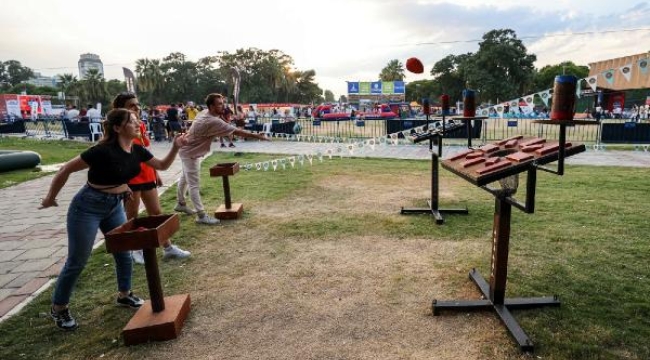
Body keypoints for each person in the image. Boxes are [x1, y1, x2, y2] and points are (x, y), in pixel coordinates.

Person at [40, 108, 186, 331]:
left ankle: (124, 294)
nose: (138, 124)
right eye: (132, 122)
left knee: (124, 252)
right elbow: (65, 169)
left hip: (114, 204)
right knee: (77, 260)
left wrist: (175, 146)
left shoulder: (137, 149)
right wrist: (50, 197)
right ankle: (58, 308)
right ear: (117, 128)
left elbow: (163, 166)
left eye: (138, 120)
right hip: (87, 206)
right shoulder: (102, 151)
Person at [111, 92, 190, 264]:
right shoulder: (120, 130)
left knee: (156, 213)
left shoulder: (140, 125)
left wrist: (156, 173)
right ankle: (134, 249)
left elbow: (146, 155)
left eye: (137, 104)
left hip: (147, 175)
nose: (137, 108)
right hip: (131, 179)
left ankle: (168, 248)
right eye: (132, 105)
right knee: (132, 216)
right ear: (120, 109)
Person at [175, 93, 269, 224]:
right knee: (194, 184)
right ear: (211, 106)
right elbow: (237, 131)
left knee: (185, 177)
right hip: (190, 153)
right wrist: (259, 136)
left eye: (222, 103)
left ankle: (180, 203)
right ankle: (201, 216)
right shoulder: (212, 121)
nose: (223, 106)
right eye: (219, 104)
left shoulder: (204, 112)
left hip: (186, 149)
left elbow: (223, 121)